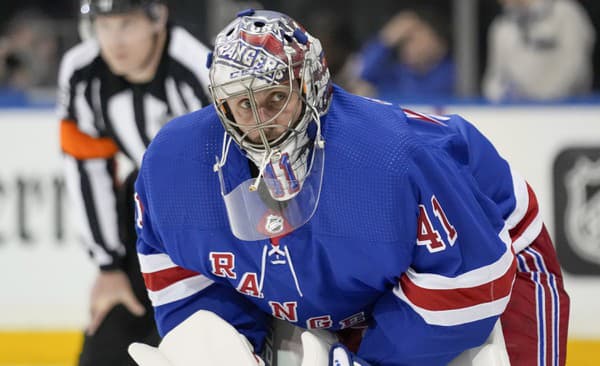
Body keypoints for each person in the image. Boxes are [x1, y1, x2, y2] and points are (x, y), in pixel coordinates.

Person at [131, 9, 569, 366]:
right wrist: (231, 343)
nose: (261, 121)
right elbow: (177, 273)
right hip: (354, 288)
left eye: (275, 98)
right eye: (243, 104)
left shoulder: (393, 159)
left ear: (312, 86)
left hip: (495, 259)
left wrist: (369, 359)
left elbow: (471, 284)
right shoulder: (175, 162)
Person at [57, 0, 212, 364]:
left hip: (215, 231)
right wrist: (108, 266)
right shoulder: (83, 71)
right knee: (105, 350)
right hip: (146, 215)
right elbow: (86, 169)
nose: (114, 40)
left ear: (157, 18)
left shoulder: (197, 69)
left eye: (126, 24)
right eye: (104, 26)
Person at [482, 0, 596, 102]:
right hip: (521, 112)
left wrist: (544, 99)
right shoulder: (501, 25)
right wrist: (501, 96)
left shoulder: (566, 12)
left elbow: (576, 66)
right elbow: (494, 79)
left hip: (568, 109)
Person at [352, 8, 455, 101]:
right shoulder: (394, 74)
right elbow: (358, 72)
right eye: (402, 40)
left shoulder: (453, 73)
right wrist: (386, 38)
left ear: (438, 42)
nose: (406, 46)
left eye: (412, 39)